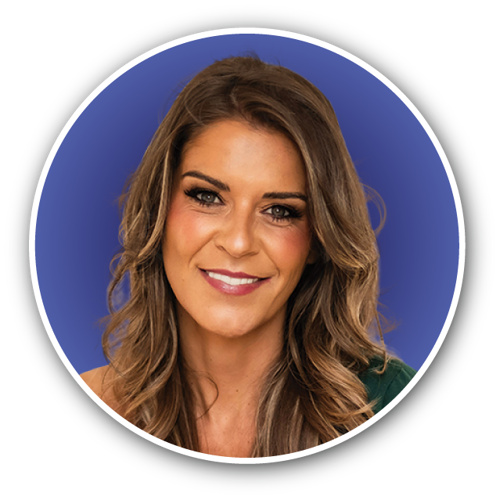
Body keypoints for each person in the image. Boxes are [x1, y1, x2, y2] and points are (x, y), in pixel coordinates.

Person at [81, 55, 416, 458]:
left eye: (280, 211)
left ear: (317, 239)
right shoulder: (90, 403)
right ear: (159, 210)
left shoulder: (389, 402)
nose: (239, 243)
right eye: (207, 197)